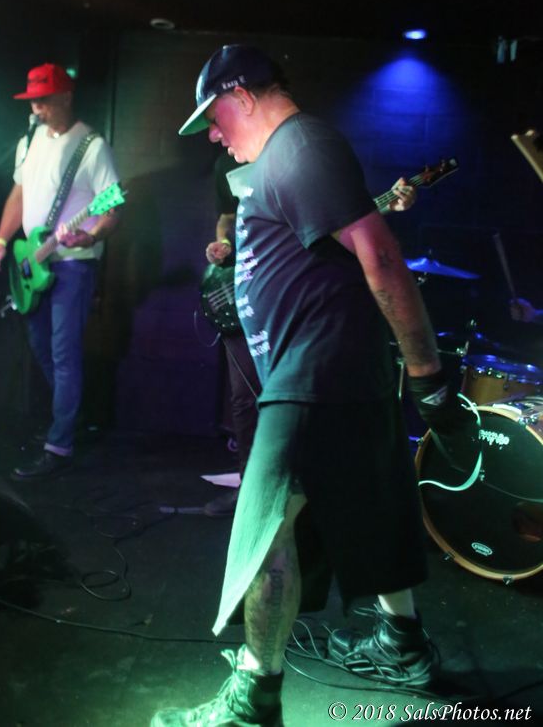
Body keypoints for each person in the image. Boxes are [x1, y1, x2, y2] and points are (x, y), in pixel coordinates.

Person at [151, 45, 475, 727]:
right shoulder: (287, 159)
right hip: (337, 373)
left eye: (213, 118)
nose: (212, 135)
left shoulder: (300, 146)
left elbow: (381, 255)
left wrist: (430, 378)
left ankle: (254, 698)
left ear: (241, 94)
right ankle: (404, 645)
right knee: (367, 510)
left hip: (312, 376)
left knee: (266, 532)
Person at [203, 150, 417, 517]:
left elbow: (338, 221)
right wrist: (222, 243)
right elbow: (226, 217)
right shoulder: (225, 162)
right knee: (243, 398)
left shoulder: (299, 154)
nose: (215, 137)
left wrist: (386, 207)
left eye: (218, 127)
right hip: (242, 291)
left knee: (298, 396)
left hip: (290, 298)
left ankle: (301, 495)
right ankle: (250, 492)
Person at [0, 63, 121, 479]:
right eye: (32, 101)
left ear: (65, 97)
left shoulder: (92, 146)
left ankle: (59, 445)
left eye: (43, 100)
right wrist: (1, 240)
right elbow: (19, 193)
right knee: (41, 346)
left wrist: (89, 235)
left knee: (63, 353)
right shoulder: (29, 140)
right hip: (33, 261)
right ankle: (70, 418)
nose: (36, 108)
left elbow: (112, 207)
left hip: (73, 265)